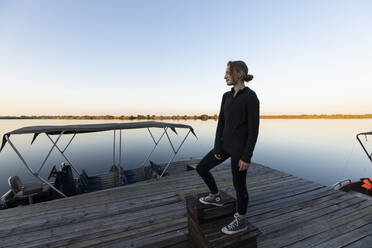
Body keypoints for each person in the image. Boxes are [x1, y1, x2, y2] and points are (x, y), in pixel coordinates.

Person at [196, 60, 260, 235]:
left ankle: (241, 220)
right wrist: (217, 147)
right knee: (201, 168)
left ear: (239, 73)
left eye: (228, 72)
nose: (225, 76)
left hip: (240, 149)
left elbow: (254, 130)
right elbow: (221, 123)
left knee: (238, 184)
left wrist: (247, 157)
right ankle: (215, 195)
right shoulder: (226, 96)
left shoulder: (250, 97)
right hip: (224, 145)